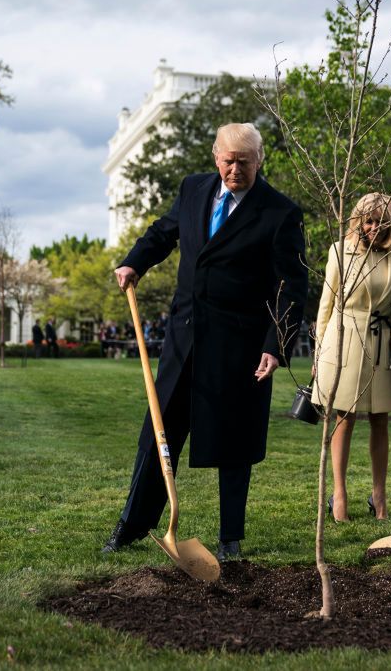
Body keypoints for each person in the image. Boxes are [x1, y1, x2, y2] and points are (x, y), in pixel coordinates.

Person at [102, 122, 308, 562]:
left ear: (260, 160)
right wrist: (135, 262)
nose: (235, 170)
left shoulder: (279, 212)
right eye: (228, 161)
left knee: (234, 441)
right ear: (216, 157)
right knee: (158, 435)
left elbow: (291, 286)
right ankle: (133, 523)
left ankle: (230, 536)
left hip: (241, 348)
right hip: (184, 338)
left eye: (244, 163)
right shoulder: (194, 189)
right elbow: (164, 231)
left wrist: (276, 345)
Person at [312, 193, 391, 521]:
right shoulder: (340, 251)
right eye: (369, 220)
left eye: (382, 220)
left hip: (378, 345)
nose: (375, 227)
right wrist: (319, 349)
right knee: (344, 418)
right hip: (343, 341)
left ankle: (379, 496)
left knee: (381, 420)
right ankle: (339, 495)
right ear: (359, 221)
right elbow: (326, 304)